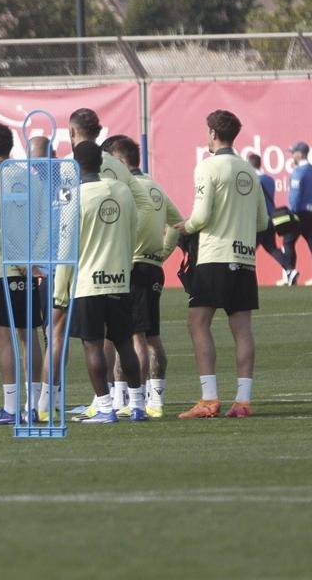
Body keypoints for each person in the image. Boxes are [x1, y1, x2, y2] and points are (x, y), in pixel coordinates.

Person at [176, 110, 269, 419]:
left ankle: (209, 399)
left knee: (197, 323)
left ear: (213, 134)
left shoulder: (208, 166)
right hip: (245, 258)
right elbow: (262, 221)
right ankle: (243, 401)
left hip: (215, 256)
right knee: (242, 329)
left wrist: (186, 226)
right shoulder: (249, 171)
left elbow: (201, 216)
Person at [54, 141, 142, 423]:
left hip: (87, 283)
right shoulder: (122, 191)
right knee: (125, 344)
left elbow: (66, 248)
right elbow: (134, 229)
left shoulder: (73, 197)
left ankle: (105, 407)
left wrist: (60, 292)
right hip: (119, 280)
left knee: (92, 345)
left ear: (74, 167)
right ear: (102, 163)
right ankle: (138, 405)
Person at [0, 123, 44, 426]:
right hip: (28, 267)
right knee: (29, 336)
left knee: (4, 338)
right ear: (11, 147)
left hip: (1, 268)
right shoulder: (31, 178)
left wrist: (17, 257)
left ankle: (12, 409)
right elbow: (42, 222)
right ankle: (35, 406)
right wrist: (31, 258)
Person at [110, 137, 183, 418]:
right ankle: (155, 399)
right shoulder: (155, 187)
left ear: (120, 161)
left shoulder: (128, 188)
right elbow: (177, 223)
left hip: (133, 267)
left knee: (134, 336)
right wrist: (162, 253)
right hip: (152, 267)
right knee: (152, 336)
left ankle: (137, 399)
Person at [248, 153, 294, 284]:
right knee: (272, 248)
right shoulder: (270, 179)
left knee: (247, 250)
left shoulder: (253, 180)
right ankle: (290, 269)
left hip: (259, 221)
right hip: (271, 219)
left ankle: (239, 276)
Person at [283, 140, 312, 286]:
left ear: (300, 154)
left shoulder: (298, 171)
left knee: (288, 242)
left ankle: (290, 273)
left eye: (293, 153)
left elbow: (295, 196)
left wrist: (291, 212)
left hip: (299, 213)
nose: (292, 156)